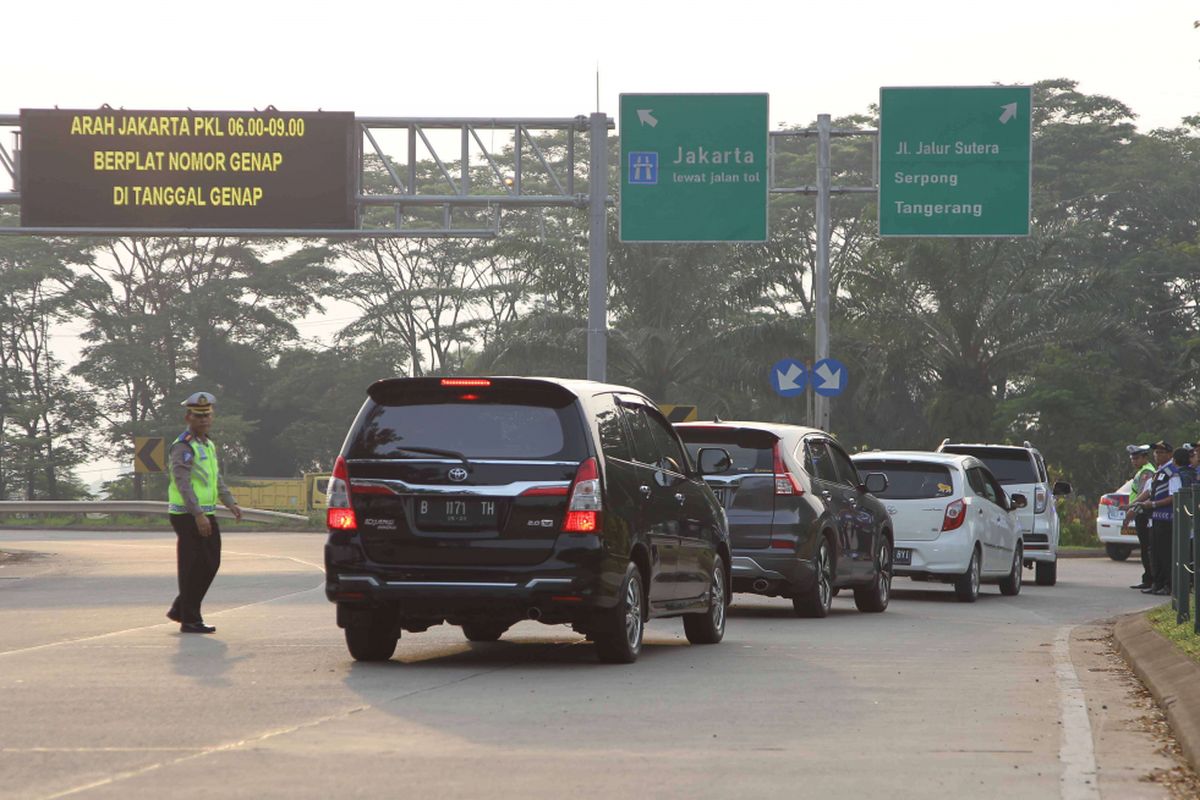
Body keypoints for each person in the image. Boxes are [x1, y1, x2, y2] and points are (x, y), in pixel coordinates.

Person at [166, 392, 241, 633]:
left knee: (210, 563)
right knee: (191, 566)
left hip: (206, 512)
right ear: (188, 417)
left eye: (207, 415)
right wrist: (197, 514)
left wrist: (229, 501)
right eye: (198, 416)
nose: (203, 420)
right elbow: (182, 483)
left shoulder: (207, 444)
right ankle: (190, 619)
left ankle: (181, 607)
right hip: (187, 514)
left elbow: (215, 478)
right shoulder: (183, 445)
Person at [1129, 442, 1182, 596]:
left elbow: (1174, 497)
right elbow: (1148, 491)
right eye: (1156, 452)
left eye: (1161, 452)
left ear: (1170, 455)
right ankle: (1156, 584)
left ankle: (1167, 585)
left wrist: (1152, 504)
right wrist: (1133, 506)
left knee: (1165, 554)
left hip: (1166, 518)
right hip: (1155, 519)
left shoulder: (1172, 472)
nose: (1157, 455)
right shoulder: (1159, 472)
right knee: (1155, 553)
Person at [1122, 444, 1157, 590]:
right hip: (1141, 513)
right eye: (1132, 458)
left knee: (1146, 547)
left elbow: (1144, 495)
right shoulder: (1143, 471)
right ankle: (1148, 578)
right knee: (1144, 547)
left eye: (1136, 458)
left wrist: (1132, 511)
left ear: (1145, 457)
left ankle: (1149, 579)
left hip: (1143, 514)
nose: (1133, 461)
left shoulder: (1147, 472)